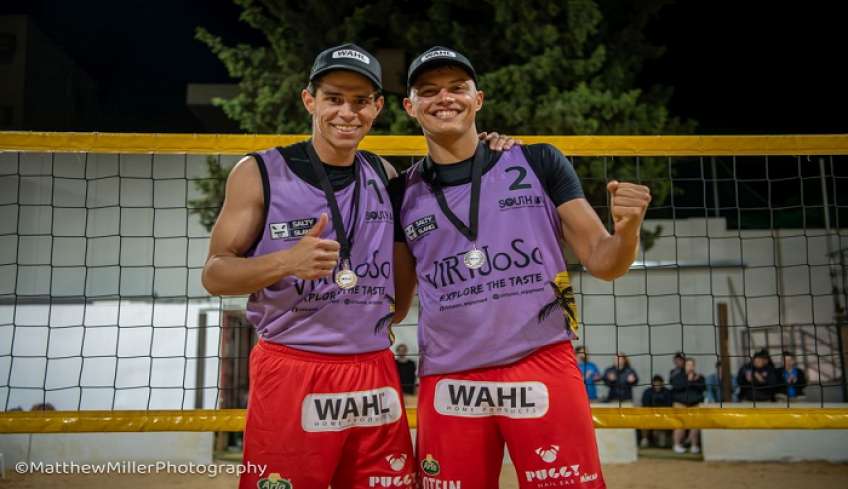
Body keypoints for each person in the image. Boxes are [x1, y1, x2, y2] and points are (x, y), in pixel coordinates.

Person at [391, 46, 651, 489]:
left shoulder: (537, 160)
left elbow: (604, 262)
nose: (444, 98)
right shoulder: (401, 193)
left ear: (479, 99)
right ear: (409, 106)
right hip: (449, 376)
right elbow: (395, 305)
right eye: (428, 91)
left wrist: (627, 231)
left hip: (541, 361)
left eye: (458, 88)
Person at [202, 43, 417, 489]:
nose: (347, 112)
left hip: (373, 365)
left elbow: (400, 286)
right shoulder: (258, 171)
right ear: (309, 100)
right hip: (294, 367)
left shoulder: (386, 175)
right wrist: (286, 261)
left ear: (377, 107)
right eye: (334, 98)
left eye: (360, 101)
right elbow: (215, 274)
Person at [670, 357, 706, 454]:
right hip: (680, 404)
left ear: (694, 366)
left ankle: (694, 445)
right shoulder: (677, 376)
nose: (690, 367)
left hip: (695, 404)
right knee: (679, 425)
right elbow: (676, 386)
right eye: (688, 365)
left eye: (692, 365)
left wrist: (693, 381)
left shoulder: (700, 377)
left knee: (695, 425)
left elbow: (702, 388)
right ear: (684, 366)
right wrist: (690, 381)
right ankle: (677, 445)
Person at [640, 375, 672, 448]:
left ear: (662, 384)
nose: (657, 386)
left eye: (659, 384)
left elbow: (669, 406)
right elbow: (645, 406)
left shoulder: (667, 392)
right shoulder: (647, 392)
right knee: (643, 421)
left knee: (662, 443)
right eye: (655, 384)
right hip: (650, 416)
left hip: (664, 416)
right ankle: (645, 439)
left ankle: (662, 439)